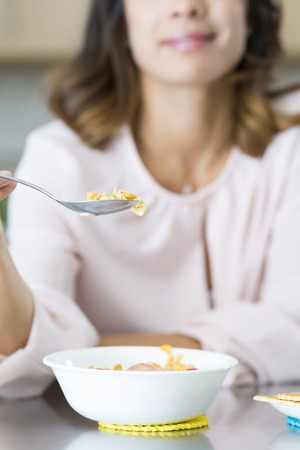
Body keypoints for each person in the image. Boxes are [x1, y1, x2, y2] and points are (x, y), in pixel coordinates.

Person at [1, 0, 300, 399]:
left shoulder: (292, 146)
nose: (187, 7)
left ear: (253, 13)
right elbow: (23, 348)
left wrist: (85, 352)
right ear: (119, 20)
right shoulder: (58, 160)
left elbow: (293, 327)